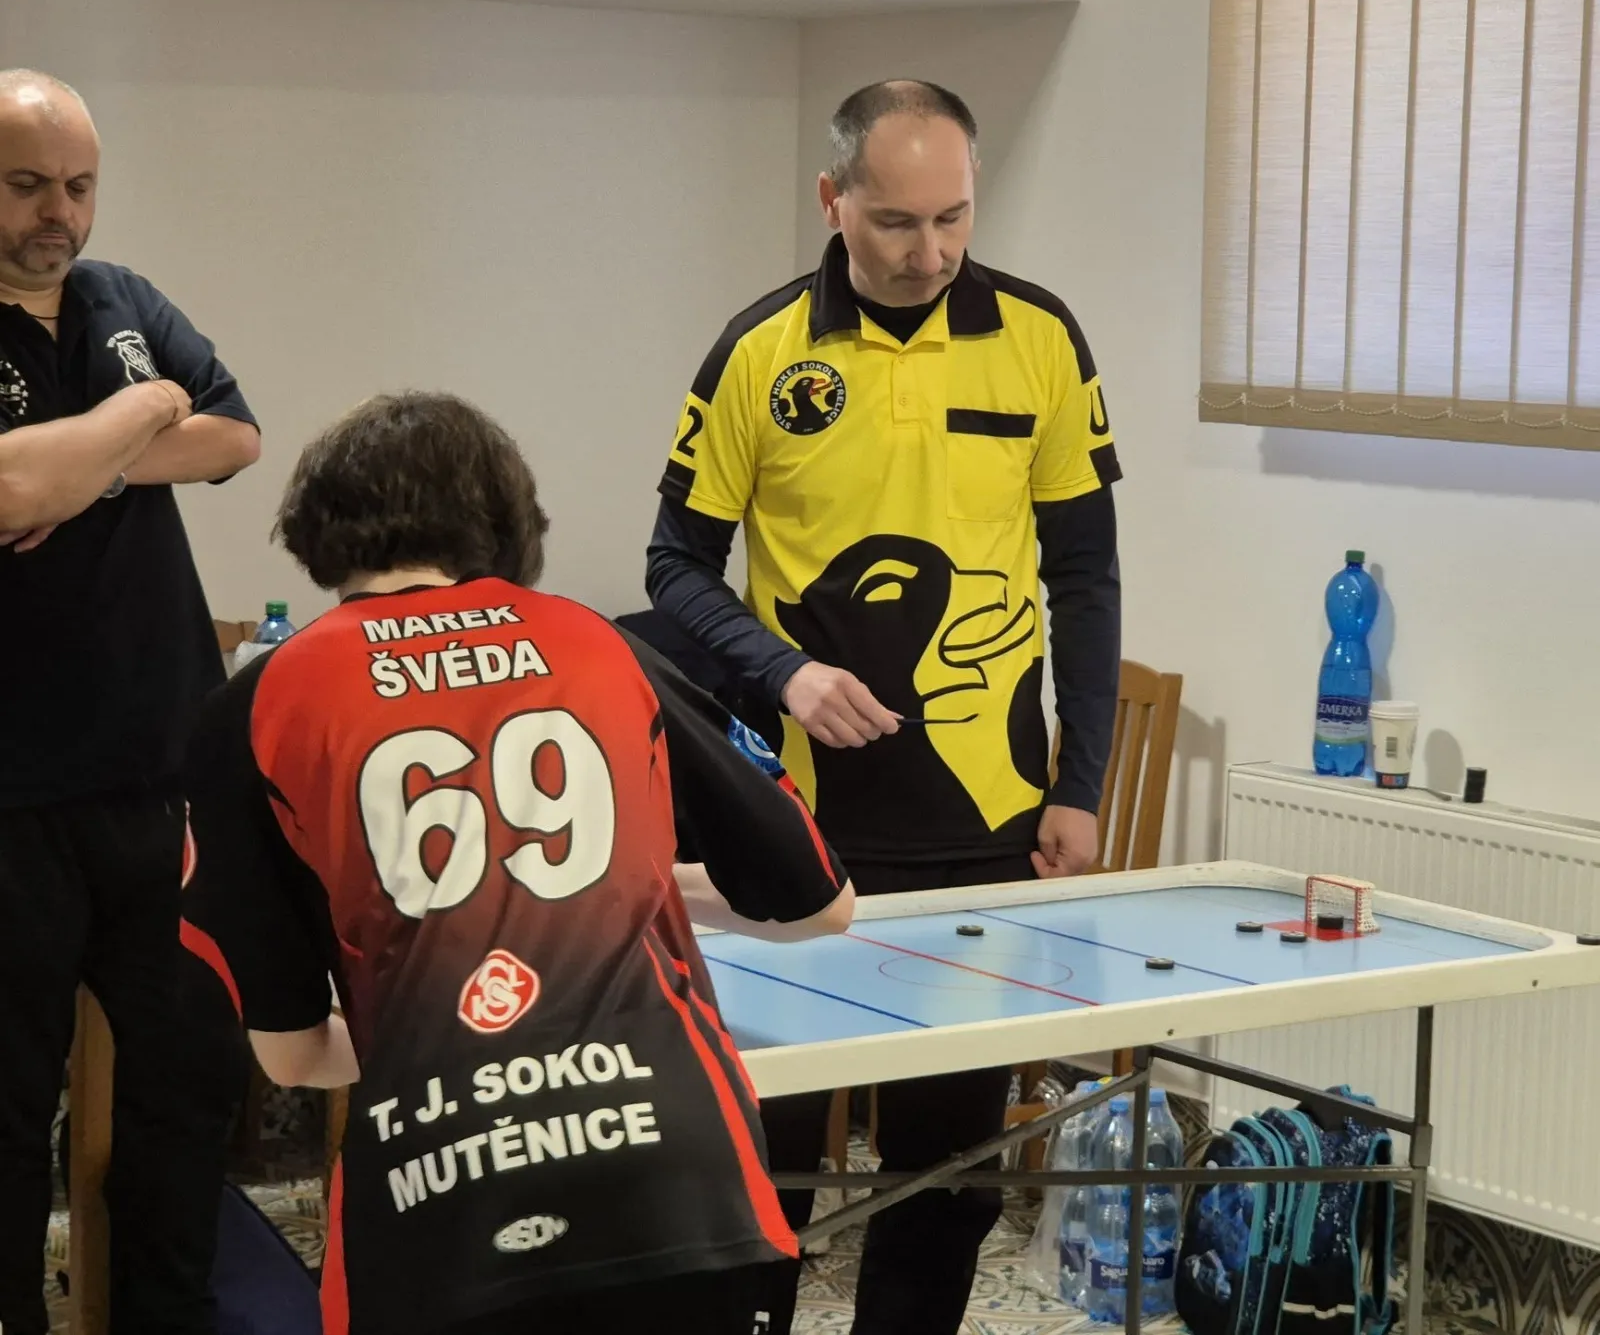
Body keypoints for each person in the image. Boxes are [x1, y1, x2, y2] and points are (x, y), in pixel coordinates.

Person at [178, 392, 856, 1335]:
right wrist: (631, 883)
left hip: (437, 1199)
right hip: (678, 1174)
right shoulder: (598, 641)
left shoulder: (256, 702)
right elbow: (821, 902)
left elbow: (291, 1053)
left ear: (314, 529)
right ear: (503, 519)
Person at [646, 79, 1123, 1333]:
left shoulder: (1041, 337)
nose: (930, 251)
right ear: (833, 199)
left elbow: (1084, 574)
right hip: (797, 826)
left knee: (945, 1174)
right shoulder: (760, 352)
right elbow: (675, 566)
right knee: (768, 1171)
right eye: (898, 222)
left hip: (988, 825)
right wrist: (781, 671)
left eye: (953, 217)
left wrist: (1080, 784)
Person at [0, 69, 260, 1335]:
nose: (59, 212)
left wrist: (88, 458)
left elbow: (234, 436)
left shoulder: (124, 299)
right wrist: (150, 408)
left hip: (164, 778)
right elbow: (6, 493)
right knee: (7, 1102)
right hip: (12, 797)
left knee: (187, 1080)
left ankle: (166, 1314)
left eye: (79, 185)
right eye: (26, 185)